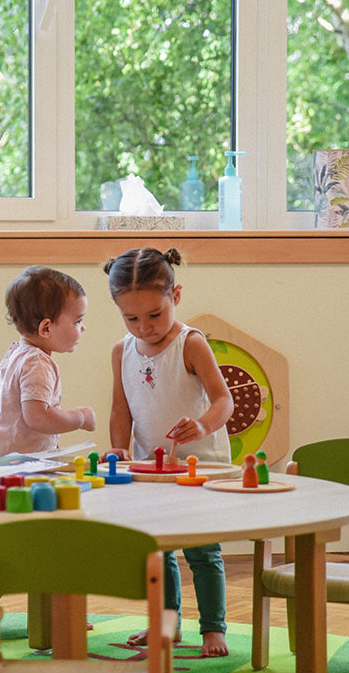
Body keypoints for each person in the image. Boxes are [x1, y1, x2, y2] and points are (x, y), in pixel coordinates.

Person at [104, 247, 234, 657]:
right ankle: (167, 623)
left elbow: (223, 400)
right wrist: (118, 450)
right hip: (148, 468)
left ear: (175, 297)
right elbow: (120, 409)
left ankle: (213, 628)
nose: (145, 327)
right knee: (158, 550)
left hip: (198, 467)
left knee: (202, 551)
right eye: (132, 318)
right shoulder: (121, 351)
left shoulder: (190, 344)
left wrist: (202, 425)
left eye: (155, 315)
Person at [0, 266, 96, 457]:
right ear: (46, 328)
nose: (82, 328)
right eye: (77, 321)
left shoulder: (16, 354)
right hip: (21, 464)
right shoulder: (38, 363)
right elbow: (37, 418)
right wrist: (80, 417)